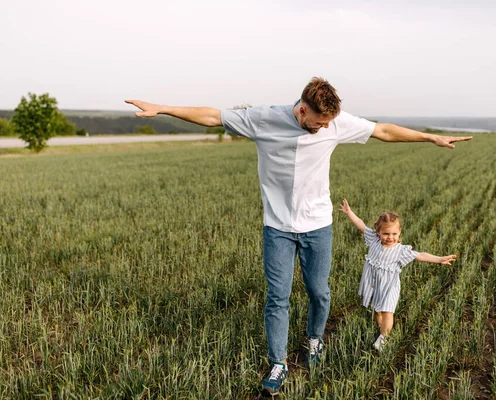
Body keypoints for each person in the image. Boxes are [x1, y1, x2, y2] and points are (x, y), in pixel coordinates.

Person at [125, 77, 471, 396]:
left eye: (328, 124)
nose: (324, 128)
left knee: (319, 292)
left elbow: (382, 130)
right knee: (278, 296)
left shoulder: (335, 123)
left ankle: (314, 340)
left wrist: (430, 137)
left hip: (318, 226)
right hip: (277, 228)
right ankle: (278, 363)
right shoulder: (263, 119)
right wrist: (164, 108)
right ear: (303, 109)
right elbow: (214, 115)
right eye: (319, 122)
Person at [338, 199, 456, 351]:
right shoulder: (373, 240)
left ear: (399, 232)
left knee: (388, 311)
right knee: (377, 310)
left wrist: (439, 259)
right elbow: (361, 225)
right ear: (378, 232)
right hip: (373, 283)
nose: (390, 237)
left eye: (394, 234)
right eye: (385, 233)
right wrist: (349, 213)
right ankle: (381, 327)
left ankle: (384, 338)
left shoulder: (401, 250)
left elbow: (420, 255)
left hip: (389, 286)